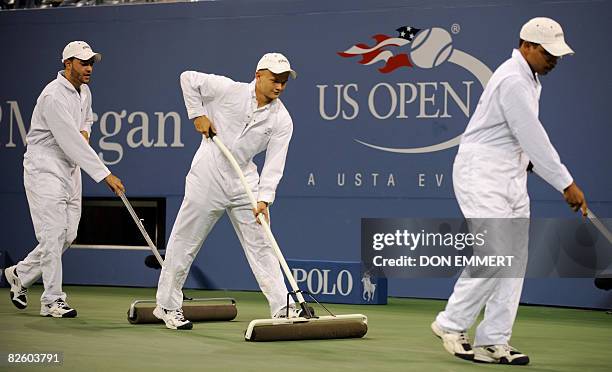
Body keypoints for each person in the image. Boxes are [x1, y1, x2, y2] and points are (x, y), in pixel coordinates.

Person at [431, 18, 587, 365]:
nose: (554, 60)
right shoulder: (513, 79)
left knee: (514, 261)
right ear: (527, 46)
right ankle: (451, 324)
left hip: (511, 175)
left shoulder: (530, 79)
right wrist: (565, 182)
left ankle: (493, 339)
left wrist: (528, 163)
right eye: (549, 53)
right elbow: (533, 137)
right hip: (482, 173)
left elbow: (514, 134)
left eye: (557, 54)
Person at [154, 53, 299, 330]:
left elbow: (274, 164)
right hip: (208, 175)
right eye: (274, 80)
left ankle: (282, 309)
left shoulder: (283, 119)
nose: (279, 87)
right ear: (258, 76)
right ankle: (167, 306)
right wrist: (198, 114)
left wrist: (264, 199)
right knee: (185, 242)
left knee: (262, 243)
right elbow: (188, 78)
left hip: (244, 181)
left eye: (283, 82)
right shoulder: (228, 90)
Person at [4, 41, 125, 318]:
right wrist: (105, 174)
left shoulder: (85, 92)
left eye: (92, 62)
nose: (89, 68)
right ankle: (52, 300)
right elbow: (69, 141)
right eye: (84, 62)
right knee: (52, 233)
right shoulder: (53, 96)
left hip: (70, 167)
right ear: (67, 63)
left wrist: (85, 131)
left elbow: (86, 123)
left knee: (67, 234)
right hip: (44, 166)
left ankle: (20, 274)